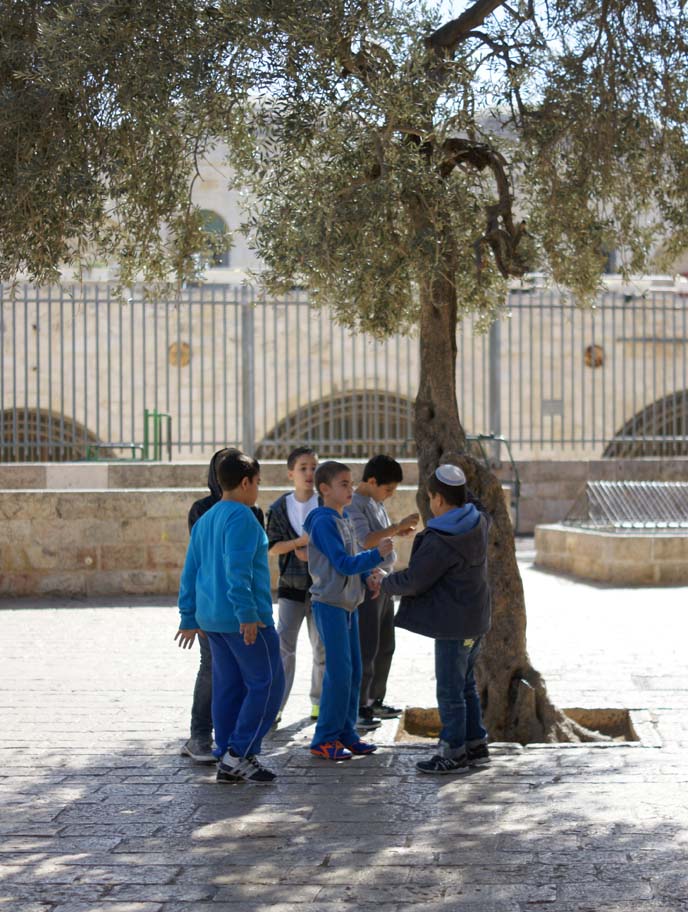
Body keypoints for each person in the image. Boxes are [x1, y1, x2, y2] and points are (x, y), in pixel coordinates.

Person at [175, 450, 285, 784]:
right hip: (244, 621)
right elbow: (238, 572)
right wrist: (248, 616)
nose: (258, 489)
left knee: (229, 686)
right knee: (268, 685)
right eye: (258, 482)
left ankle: (228, 755)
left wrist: (189, 615)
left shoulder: (206, 518)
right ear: (246, 481)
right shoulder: (242, 517)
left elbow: (190, 570)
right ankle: (239, 752)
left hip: (212, 621)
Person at [376, 464, 491, 775]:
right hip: (476, 619)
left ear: (437, 499)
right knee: (465, 683)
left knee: (451, 689)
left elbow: (415, 580)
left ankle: (453, 751)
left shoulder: (441, 540)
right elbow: (476, 502)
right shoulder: (478, 521)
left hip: (454, 625)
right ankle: (475, 744)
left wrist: (384, 582)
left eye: (431, 498)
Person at [304, 460, 393, 761]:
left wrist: (368, 576)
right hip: (329, 605)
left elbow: (350, 564)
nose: (350, 488)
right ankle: (324, 737)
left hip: (349, 606)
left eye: (351, 483)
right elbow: (341, 562)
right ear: (325, 489)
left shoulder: (342, 518)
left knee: (353, 672)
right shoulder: (323, 521)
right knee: (339, 673)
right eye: (344, 484)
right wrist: (375, 554)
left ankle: (346, 732)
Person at [346, 454, 419, 730]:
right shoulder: (354, 505)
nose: (389, 496)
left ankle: (375, 698)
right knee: (367, 646)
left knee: (385, 645)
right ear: (372, 481)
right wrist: (398, 526)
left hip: (385, 580)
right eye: (387, 489)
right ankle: (360, 705)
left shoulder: (375, 504)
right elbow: (365, 540)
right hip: (368, 582)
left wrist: (396, 534)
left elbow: (380, 536)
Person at [266, 446, 325, 721]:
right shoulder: (279, 507)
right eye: (303, 468)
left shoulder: (325, 504)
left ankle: (319, 703)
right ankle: (276, 706)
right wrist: (299, 544)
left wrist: (313, 552)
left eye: (314, 467)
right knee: (283, 649)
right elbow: (273, 546)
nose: (309, 473)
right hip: (291, 587)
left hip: (322, 588)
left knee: (321, 647)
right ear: (291, 473)